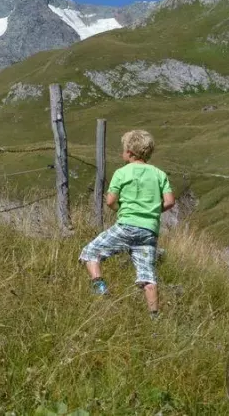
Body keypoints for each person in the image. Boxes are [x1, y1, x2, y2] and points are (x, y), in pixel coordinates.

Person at [78, 129, 176, 318]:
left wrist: (120, 209)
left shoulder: (122, 173)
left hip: (126, 226)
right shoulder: (159, 174)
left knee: (90, 252)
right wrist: (152, 211)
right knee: (147, 275)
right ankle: (154, 317)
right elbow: (170, 201)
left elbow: (110, 201)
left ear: (129, 153)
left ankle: (100, 289)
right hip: (149, 231)